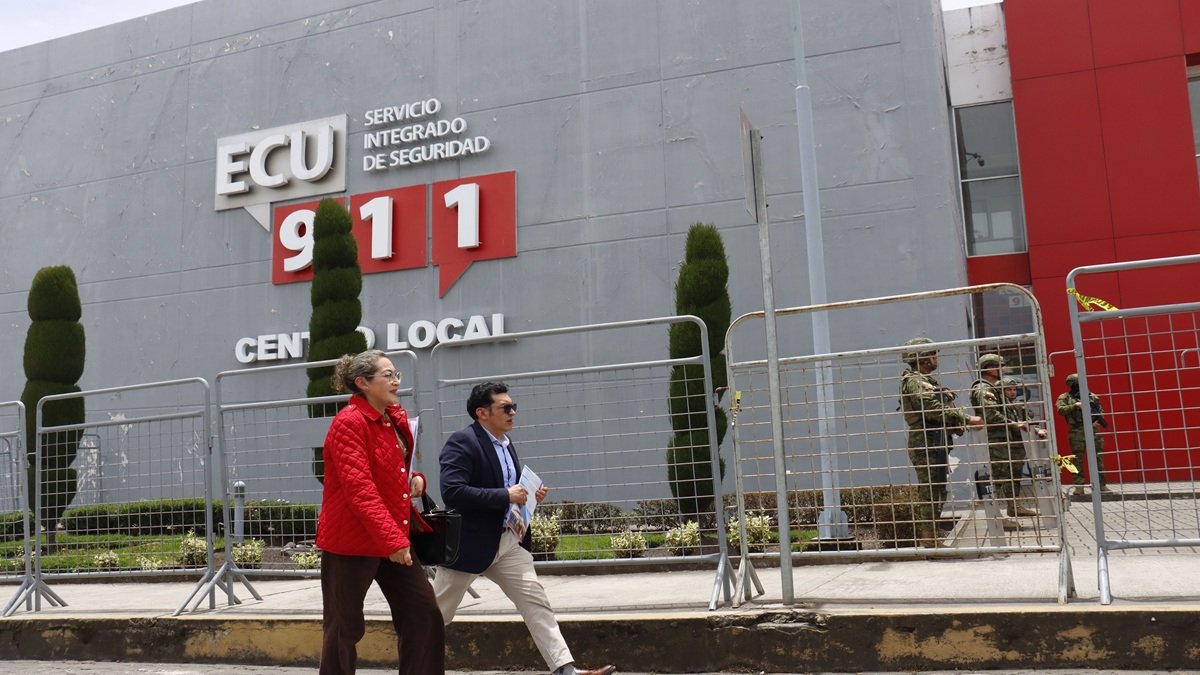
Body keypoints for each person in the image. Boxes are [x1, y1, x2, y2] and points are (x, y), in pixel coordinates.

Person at [432, 381, 616, 675]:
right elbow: (453, 492)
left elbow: (508, 488)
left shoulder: (505, 443)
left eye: (513, 406)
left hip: (507, 543)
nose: (513, 412)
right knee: (435, 616)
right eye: (505, 407)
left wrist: (529, 495)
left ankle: (565, 669)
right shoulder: (462, 442)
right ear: (482, 413)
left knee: (535, 600)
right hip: (467, 547)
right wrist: (506, 494)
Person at [315, 350, 444, 675]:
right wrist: (394, 542)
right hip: (352, 541)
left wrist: (415, 479)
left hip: (391, 537)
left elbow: (392, 472)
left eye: (396, 374)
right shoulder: (349, 423)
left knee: (423, 613)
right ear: (363, 382)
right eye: (387, 375)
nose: (396, 380)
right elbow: (360, 489)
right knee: (344, 629)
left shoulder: (391, 419)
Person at [899, 337, 983, 546]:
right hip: (925, 441)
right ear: (921, 358)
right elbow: (932, 408)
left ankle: (932, 535)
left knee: (937, 488)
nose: (936, 358)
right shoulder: (914, 381)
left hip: (935, 440)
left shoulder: (926, 381)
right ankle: (928, 540)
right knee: (929, 490)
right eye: (932, 354)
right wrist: (966, 418)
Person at [970, 355, 1046, 521]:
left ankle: (1013, 507)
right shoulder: (984, 389)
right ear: (990, 368)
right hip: (997, 443)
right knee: (996, 480)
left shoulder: (993, 389)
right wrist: (1014, 425)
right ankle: (996, 518)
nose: (1003, 370)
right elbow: (991, 415)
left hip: (1005, 442)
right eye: (1000, 366)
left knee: (1009, 478)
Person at [1055, 372, 1113, 497]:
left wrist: (1096, 421)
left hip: (1093, 430)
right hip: (1077, 431)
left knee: (1099, 458)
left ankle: (1101, 484)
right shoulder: (1065, 398)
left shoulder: (1092, 396)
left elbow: (1100, 411)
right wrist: (1075, 405)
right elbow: (1060, 410)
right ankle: (1079, 487)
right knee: (1077, 460)